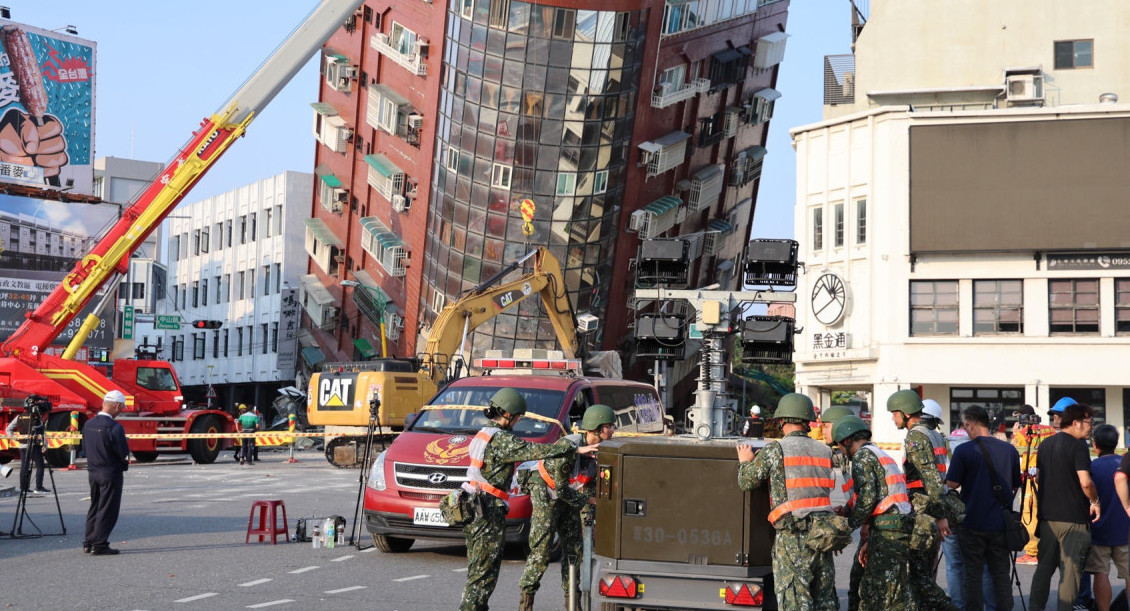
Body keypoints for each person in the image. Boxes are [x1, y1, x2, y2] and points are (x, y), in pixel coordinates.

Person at [459, 388, 596, 611]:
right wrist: (570, 446)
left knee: (479, 572)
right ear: (507, 414)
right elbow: (532, 450)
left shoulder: (484, 433)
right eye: (518, 416)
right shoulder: (501, 439)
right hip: (486, 509)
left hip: (477, 505)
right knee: (483, 576)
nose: (519, 420)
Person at [736, 392, 838, 610]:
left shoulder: (776, 449)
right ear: (807, 421)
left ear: (782, 421)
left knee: (794, 602)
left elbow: (747, 482)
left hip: (793, 538)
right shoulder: (825, 451)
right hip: (823, 537)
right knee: (824, 600)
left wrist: (745, 462)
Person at [517, 404, 615, 610]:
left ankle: (573, 603)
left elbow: (590, 490)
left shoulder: (601, 452)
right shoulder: (567, 448)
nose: (613, 430)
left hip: (568, 497)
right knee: (541, 551)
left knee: (574, 550)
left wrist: (592, 518)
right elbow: (561, 489)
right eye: (609, 426)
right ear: (596, 428)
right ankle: (526, 604)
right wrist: (588, 502)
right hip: (546, 493)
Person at [833, 415, 914, 610]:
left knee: (873, 593)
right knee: (895, 592)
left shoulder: (862, 456)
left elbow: (867, 500)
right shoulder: (877, 452)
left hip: (889, 528)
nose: (843, 452)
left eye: (840, 447)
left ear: (846, 440)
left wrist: (845, 527)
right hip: (896, 526)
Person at [946, 405, 1022, 610]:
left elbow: (952, 484)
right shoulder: (1010, 450)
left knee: (972, 573)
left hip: (971, 522)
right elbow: (1015, 485)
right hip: (1000, 522)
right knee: (1000, 573)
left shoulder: (964, 451)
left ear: (969, 425)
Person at [887, 389, 957, 609]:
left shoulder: (916, 436)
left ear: (907, 413)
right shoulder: (936, 435)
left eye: (895, 413)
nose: (892, 418)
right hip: (931, 509)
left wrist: (940, 515)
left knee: (919, 577)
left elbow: (931, 480)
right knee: (925, 573)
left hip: (924, 511)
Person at [1030, 403, 1101, 611]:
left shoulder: (1045, 445)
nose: (1091, 427)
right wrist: (1095, 502)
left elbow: (1040, 478)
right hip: (1074, 520)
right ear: (1076, 423)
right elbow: (1085, 482)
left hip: (1047, 520)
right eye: (1089, 422)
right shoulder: (1078, 447)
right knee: (1070, 573)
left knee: (1043, 569)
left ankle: (1035, 608)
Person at [82, 390, 130, 556]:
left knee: (94, 506)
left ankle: (88, 542)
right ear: (117, 406)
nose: (121, 411)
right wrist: (124, 464)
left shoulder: (88, 424)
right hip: (110, 472)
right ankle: (100, 544)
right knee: (108, 509)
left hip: (93, 471)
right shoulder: (115, 427)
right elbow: (123, 453)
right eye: (122, 408)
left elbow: (84, 449)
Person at [1086, 424, 1128, 611]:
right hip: (1125, 530)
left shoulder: (1091, 468)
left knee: (1100, 573)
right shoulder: (1125, 465)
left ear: (1095, 445)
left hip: (1099, 530)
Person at [1012, 404, 1056, 566]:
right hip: (1050, 478)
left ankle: (1032, 552)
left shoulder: (1023, 433)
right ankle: (1047, 547)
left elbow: (1012, 452)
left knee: (1029, 514)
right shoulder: (1049, 430)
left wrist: (1015, 434)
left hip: (1031, 480)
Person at [5, 410, 48, 493]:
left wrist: (15, 438)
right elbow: (41, 433)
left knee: (24, 466)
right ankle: (39, 487)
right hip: (34, 445)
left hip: (22, 445)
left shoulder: (19, 417)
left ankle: (23, 488)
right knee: (40, 465)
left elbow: (8, 429)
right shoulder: (36, 418)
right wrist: (45, 445)